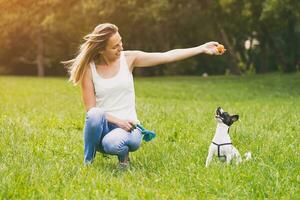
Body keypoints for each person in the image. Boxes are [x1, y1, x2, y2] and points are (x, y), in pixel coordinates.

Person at [64, 23, 224, 167]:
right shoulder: (89, 69)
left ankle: (124, 158)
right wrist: (118, 121)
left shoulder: (128, 59)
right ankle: (88, 163)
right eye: (115, 46)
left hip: (130, 128)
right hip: (105, 127)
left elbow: (166, 56)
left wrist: (201, 48)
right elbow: (90, 110)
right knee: (94, 115)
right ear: (101, 49)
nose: (121, 48)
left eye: (121, 42)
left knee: (111, 143)